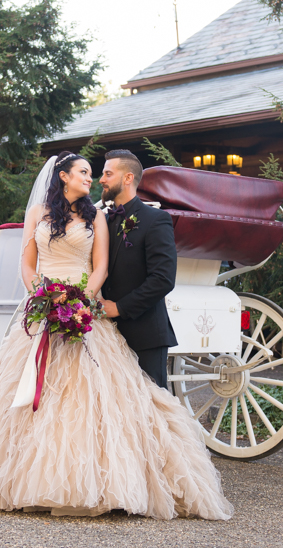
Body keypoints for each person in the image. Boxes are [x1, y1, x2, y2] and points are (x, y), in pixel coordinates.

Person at [0, 152, 232, 520]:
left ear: (126, 178)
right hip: (43, 308)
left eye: (100, 173)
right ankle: (22, 478)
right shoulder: (39, 214)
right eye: (84, 172)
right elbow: (27, 263)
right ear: (63, 176)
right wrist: (42, 296)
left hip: (84, 309)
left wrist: (80, 299)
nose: (94, 178)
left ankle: (111, 482)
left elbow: (100, 266)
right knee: (32, 397)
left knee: (93, 398)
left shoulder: (97, 216)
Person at [97, 149, 178, 388]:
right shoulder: (102, 221)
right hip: (105, 337)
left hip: (145, 335)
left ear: (128, 178)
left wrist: (119, 308)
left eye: (108, 174)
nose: (101, 179)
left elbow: (163, 279)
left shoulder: (156, 220)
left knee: (152, 411)